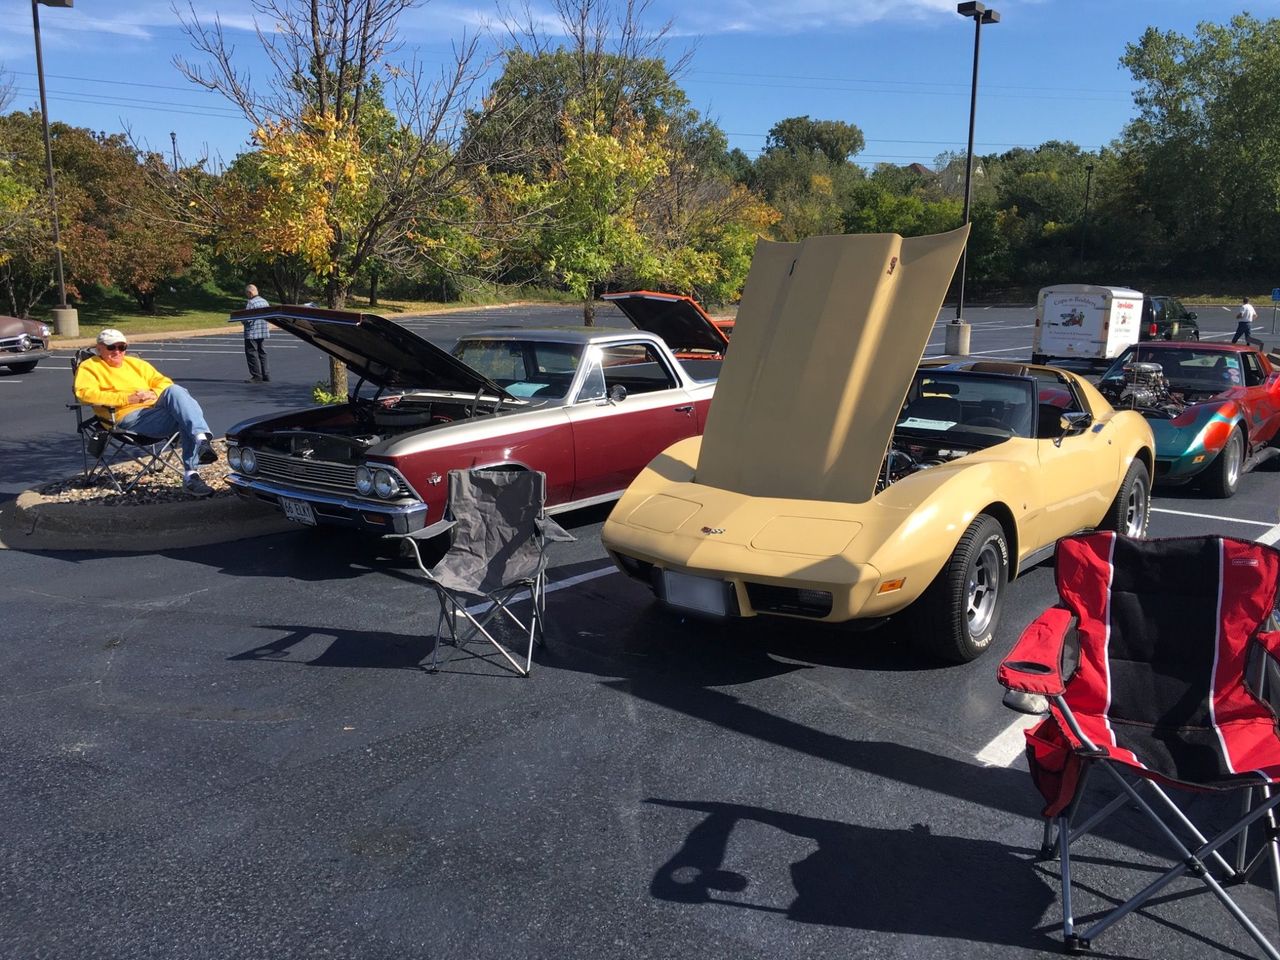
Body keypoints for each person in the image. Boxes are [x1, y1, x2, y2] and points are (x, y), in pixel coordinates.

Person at [74, 328, 219, 497]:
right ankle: (191, 474)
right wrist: (128, 399)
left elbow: (163, 381)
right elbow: (84, 394)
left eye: (122, 347)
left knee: (176, 391)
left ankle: (201, 443)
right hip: (125, 418)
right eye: (111, 347)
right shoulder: (89, 367)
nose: (118, 351)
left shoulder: (136, 364)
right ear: (99, 348)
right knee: (186, 417)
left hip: (153, 409)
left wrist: (154, 393)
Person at [232, 283, 271, 382]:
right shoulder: (265, 302)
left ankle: (256, 375)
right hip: (262, 331)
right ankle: (265, 374)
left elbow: (247, 319)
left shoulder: (251, 303)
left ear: (250, 293)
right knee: (262, 352)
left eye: (247, 294)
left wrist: (242, 321)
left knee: (251, 353)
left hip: (252, 332)